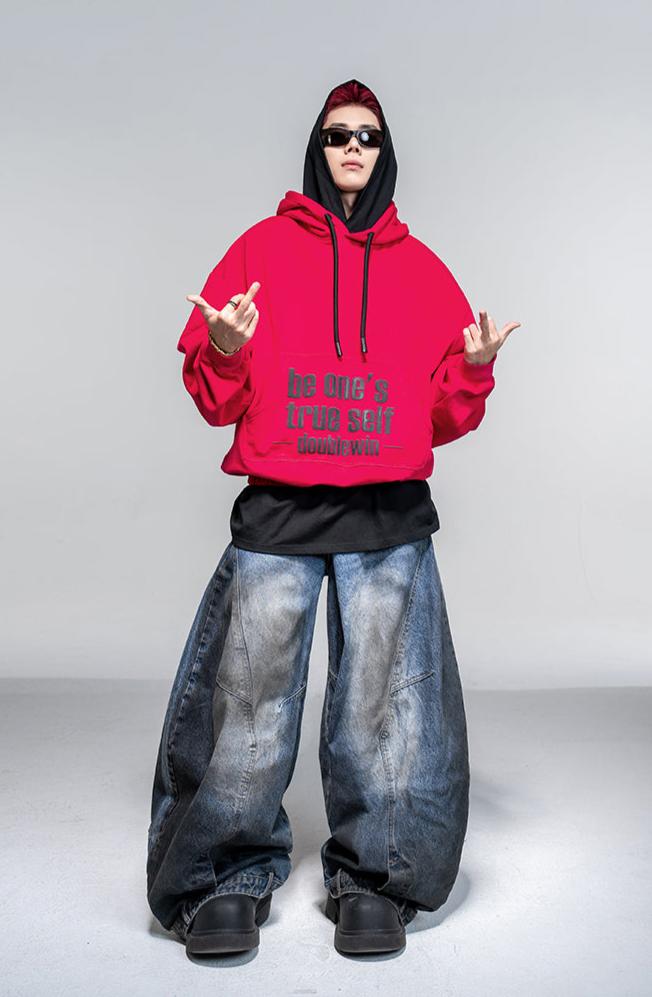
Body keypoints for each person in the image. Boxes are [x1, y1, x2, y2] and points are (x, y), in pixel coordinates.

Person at [146, 78, 520, 958]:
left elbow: (438, 418)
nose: (353, 148)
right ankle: (222, 876)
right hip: (281, 506)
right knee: (248, 695)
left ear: (385, 155)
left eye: (368, 137)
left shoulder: (423, 269)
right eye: (337, 136)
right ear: (317, 149)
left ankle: (377, 877)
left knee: (385, 705)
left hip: (387, 513)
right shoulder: (259, 249)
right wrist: (225, 348)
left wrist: (471, 368)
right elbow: (213, 396)